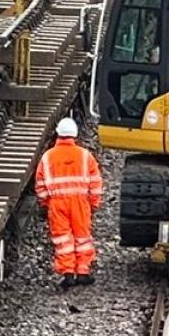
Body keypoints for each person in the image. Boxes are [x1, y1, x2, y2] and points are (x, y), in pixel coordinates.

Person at [34, 116, 103, 287]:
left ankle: (68, 273)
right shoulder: (85, 156)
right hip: (80, 202)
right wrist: (93, 203)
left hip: (57, 203)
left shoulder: (48, 157)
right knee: (82, 237)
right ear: (75, 135)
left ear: (58, 134)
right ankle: (83, 272)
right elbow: (95, 182)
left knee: (62, 239)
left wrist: (45, 203)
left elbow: (40, 184)